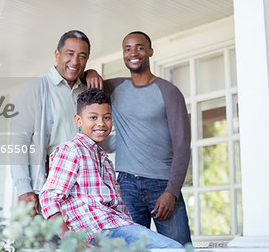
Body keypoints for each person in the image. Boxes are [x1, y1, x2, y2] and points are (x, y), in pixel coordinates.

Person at [39, 88, 183, 249]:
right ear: (78, 121)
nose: (101, 123)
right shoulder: (71, 150)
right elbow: (49, 197)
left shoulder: (105, 161)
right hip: (96, 229)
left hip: (116, 225)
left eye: (106, 117)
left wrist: (132, 227)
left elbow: (119, 208)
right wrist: (71, 241)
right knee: (173, 248)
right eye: (93, 117)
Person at [99, 31, 192, 245]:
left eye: (140, 47)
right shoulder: (114, 88)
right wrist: (93, 71)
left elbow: (182, 146)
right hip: (126, 186)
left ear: (150, 51)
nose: (133, 53)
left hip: (162, 186)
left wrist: (172, 191)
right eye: (128, 48)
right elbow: (86, 82)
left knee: (178, 249)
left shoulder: (168, 91)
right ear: (123, 54)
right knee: (129, 249)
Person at [10, 30, 100, 215]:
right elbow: (18, 143)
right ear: (57, 54)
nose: (75, 61)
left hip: (82, 185)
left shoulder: (86, 92)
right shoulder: (35, 88)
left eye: (82, 56)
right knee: (44, 242)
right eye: (69, 53)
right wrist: (23, 189)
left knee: (79, 243)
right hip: (46, 182)